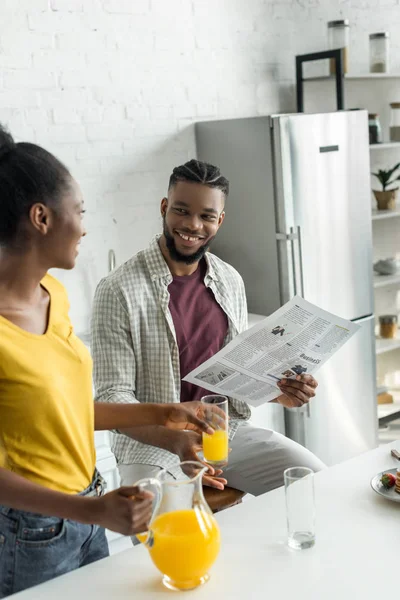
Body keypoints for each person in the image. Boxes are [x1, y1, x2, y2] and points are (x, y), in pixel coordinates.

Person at [0, 131, 219, 598]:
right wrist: (92, 512)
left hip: (87, 506)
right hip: (26, 532)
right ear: (40, 218)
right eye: (78, 211)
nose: (83, 226)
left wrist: (165, 413)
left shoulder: (51, 295)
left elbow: (68, 409)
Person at [91, 159, 325, 504]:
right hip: (151, 447)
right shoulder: (118, 289)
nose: (192, 226)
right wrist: (175, 439)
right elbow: (113, 398)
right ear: (164, 208)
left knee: (314, 480)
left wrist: (279, 392)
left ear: (220, 220)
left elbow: (231, 375)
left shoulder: (229, 280)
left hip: (223, 433)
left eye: (206, 216)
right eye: (182, 211)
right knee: (165, 527)